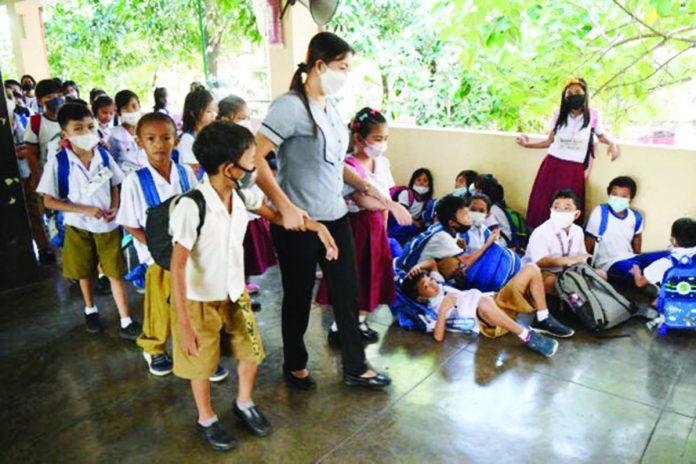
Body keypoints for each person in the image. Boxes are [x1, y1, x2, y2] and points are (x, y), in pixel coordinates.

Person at [254, 31, 393, 390]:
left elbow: (334, 164)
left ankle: (355, 366)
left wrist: (365, 185)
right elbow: (254, 158)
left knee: (347, 293)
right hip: (298, 223)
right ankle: (295, 363)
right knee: (298, 296)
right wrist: (283, 206)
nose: (346, 75)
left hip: (335, 217)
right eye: (341, 67)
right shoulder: (290, 107)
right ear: (319, 65)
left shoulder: (332, 109)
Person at [36, 102, 141, 339]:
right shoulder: (60, 162)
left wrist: (114, 207)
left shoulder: (103, 155)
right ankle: (90, 308)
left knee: (114, 272)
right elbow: (49, 201)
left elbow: (116, 184)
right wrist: (84, 210)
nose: (86, 133)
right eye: (78, 129)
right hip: (78, 225)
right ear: (65, 134)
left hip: (107, 225)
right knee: (84, 271)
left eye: (90, 127)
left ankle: (125, 320)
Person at [317, 107, 411, 345]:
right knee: (352, 278)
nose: (381, 145)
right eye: (377, 139)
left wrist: (385, 226)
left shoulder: (382, 163)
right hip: (356, 227)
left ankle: (358, 322)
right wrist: (389, 207)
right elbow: (362, 199)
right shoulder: (348, 165)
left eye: (385, 139)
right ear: (358, 138)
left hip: (377, 227)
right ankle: (340, 327)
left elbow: (385, 193)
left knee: (373, 276)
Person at [116, 112, 199, 376]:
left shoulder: (185, 174)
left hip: (188, 254)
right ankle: (154, 349)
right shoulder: (134, 182)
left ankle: (198, 349)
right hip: (157, 257)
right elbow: (130, 223)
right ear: (139, 142)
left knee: (193, 304)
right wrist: (154, 248)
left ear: (175, 140)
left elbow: (199, 207)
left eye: (166, 137)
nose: (159, 144)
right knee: (158, 308)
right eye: (151, 138)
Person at [402, 259, 572, 354]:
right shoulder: (431, 310)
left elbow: (432, 263)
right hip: (485, 319)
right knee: (483, 303)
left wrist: (416, 268)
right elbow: (438, 337)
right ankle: (527, 336)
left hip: (495, 300)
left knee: (531, 268)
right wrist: (444, 309)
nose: (433, 284)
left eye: (430, 280)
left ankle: (543, 317)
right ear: (422, 299)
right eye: (426, 287)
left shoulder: (441, 285)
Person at [517, 78, 619, 228]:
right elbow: (549, 141)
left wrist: (612, 143)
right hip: (552, 164)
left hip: (574, 168)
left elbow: (601, 136)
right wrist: (527, 145)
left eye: (578, 92)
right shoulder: (559, 114)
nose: (574, 95)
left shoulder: (593, 115)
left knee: (569, 206)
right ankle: (538, 236)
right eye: (569, 93)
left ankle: (567, 239)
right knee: (544, 202)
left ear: (585, 94)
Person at [585, 176, 668, 286]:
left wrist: (636, 256)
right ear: (608, 194)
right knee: (636, 271)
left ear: (631, 198)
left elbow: (637, 237)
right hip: (609, 263)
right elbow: (590, 239)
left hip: (630, 257)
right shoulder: (601, 212)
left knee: (669, 255)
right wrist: (584, 265)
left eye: (623, 196)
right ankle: (654, 288)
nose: (618, 199)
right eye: (614, 195)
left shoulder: (635, 216)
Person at [525, 189, 605, 295]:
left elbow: (581, 257)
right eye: (556, 208)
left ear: (576, 214)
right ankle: (575, 302)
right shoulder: (541, 231)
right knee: (554, 283)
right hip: (544, 272)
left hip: (570, 271)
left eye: (567, 208)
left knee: (601, 275)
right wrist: (569, 260)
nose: (560, 212)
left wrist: (585, 267)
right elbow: (540, 261)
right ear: (551, 211)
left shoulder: (578, 231)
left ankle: (586, 302)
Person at [630, 218, 696, 288]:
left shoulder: (664, 263)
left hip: (672, 298)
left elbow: (640, 282)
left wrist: (636, 272)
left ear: (673, 240)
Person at [178, 88, 217, 177]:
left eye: (214, 111)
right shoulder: (187, 139)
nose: (213, 115)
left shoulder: (209, 135)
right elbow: (194, 170)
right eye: (208, 111)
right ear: (193, 113)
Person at [109, 90, 147, 174]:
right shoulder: (113, 135)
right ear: (118, 112)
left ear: (139, 107)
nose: (131, 111)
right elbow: (109, 165)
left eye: (134, 106)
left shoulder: (148, 132)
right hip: (125, 182)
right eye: (125, 108)